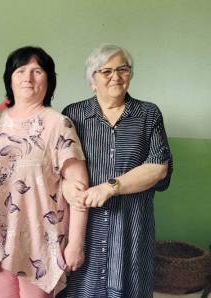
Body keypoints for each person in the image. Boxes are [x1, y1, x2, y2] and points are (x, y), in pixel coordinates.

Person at [0, 46, 89, 298]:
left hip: (39, 238)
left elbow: (79, 189)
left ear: (49, 79)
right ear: (9, 78)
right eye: (20, 70)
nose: (28, 77)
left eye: (37, 71)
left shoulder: (58, 123)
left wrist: (76, 243)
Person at [62, 44, 173, 298]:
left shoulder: (148, 114)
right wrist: (65, 186)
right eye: (106, 71)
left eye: (123, 69)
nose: (116, 76)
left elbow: (159, 167)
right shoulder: (73, 114)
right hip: (85, 229)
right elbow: (59, 168)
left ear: (130, 74)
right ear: (93, 80)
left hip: (132, 229)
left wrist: (110, 186)